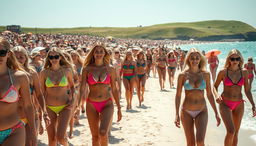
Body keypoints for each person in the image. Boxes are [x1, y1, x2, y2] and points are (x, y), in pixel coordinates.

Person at [175, 48, 221, 146]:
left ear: (200, 59)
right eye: (192, 58)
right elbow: (178, 95)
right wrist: (176, 114)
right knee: (190, 143)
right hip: (186, 111)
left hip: (202, 110)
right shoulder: (182, 75)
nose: (195, 60)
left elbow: (209, 94)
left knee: (200, 141)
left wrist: (216, 112)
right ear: (188, 59)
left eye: (197, 58)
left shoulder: (206, 74)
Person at [79, 44, 122, 146]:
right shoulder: (87, 69)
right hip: (91, 104)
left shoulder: (110, 69)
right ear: (93, 54)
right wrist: (77, 105)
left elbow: (115, 89)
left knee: (103, 133)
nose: (99, 53)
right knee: (95, 137)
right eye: (96, 51)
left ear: (105, 53)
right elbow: (82, 88)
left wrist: (119, 107)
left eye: (101, 51)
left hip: (107, 103)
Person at [213, 49, 256, 146]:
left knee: (236, 133)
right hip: (225, 104)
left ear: (240, 59)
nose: (235, 60)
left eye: (237, 58)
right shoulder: (223, 72)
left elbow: (247, 90)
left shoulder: (244, 72)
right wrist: (217, 95)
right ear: (229, 59)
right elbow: (214, 86)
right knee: (231, 131)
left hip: (239, 104)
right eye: (232, 58)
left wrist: (253, 104)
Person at [0, 37, 36, 145]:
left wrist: (33, 132)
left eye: (1, 52)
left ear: (9, 54)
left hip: (13, 131)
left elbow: (28, 106)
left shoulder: (19, 77)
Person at [12, 46, 50, 145]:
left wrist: (45, 113)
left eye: (21, 57)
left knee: (31, 144)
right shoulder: (8, 74)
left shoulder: (32, 73)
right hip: (13, 118)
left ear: (26, 57)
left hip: (31, 116)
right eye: (16, 57)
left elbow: (39, 94)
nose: (19, 60)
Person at [40, 47, 75, 146]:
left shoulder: (67, 71)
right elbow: (41, 93)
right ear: (48, 58)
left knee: (60, 137)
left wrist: (73, 100)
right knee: (52, 139)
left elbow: (72, 87)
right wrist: (41, 110)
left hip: (65, 106)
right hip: (49, 107)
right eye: (51, 57)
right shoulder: (44, 73)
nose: (54, 59)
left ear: (60, 57)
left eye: (56, 56)